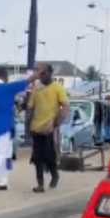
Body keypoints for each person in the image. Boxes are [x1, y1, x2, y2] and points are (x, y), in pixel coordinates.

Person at [0, 67, 38, 193]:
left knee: (6, 154)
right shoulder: (8, 88)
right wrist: (38, 74)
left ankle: (2, 182)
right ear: (5, 77)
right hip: (4, 126)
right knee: (1, 154)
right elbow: (27, 81)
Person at [26, 62, 70, 192]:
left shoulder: (57, 88)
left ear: (50, 73)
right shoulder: (36, 89)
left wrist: (57, 122)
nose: (41, 76)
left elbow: (65, 107)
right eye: (39, 73)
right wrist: (28, 124)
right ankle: (40, 184)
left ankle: (55, 175)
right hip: (36, 128)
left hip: (49, 129)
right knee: (37, 158)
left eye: (43, 73)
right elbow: (30, 107)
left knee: (49, 156)